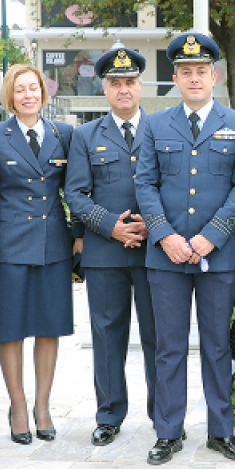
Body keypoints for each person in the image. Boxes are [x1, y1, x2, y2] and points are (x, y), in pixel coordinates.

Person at [134, 32, 235, 465]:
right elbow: (144, 183)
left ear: (214, 75)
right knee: (168, 346)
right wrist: (165, 235)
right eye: (185, 72)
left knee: (216, 345)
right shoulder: (154, 123)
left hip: (216, 254)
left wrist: (212, 236)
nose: (193, 78)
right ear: (175, 78)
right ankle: (168, 431)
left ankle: (220, 431)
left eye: (200, 71)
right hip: (164, 256)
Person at [0, 63, 77, 445]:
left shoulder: (63, 134)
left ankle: (43, 406)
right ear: (10, 97)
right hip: (11, 244)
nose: (28, 95)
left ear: (43, 93)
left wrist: (78, 238)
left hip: (53, 243)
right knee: (12, 329)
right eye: (20, 90)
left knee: (50, 327)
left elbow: (75, 191)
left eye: (33, 88)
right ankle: (18, 406)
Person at [65, 44, 159, 446]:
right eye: (116, 83)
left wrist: (152, 226)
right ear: (104, 89)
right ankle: (109, 414)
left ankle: (164, 414)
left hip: (157, 251)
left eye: (131, 82)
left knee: (160, 336)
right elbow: (76, 194)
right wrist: (112, 227)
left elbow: (172, 188)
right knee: (107, 336)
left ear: (141, 86)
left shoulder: (162, 130)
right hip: (106, 254)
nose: (124, 90)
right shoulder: (86, 136)